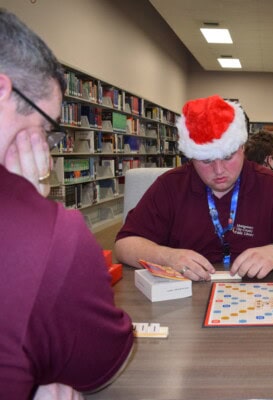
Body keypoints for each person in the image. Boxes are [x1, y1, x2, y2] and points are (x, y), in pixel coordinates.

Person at [0, 9, 133, 399]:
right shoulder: (49, 236)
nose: (44, 148)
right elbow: (105, 364)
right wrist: (28, 205)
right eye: (44, 126)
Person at [115, 95, 273, 280]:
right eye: (206, 160)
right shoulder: (171, 186)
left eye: (228, 157)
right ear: (192, 157)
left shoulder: (271, 185)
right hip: (185, 296)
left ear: (242, 148)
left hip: (256, 294)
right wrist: (167, 257)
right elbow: (125, 245)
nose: (219, 170)